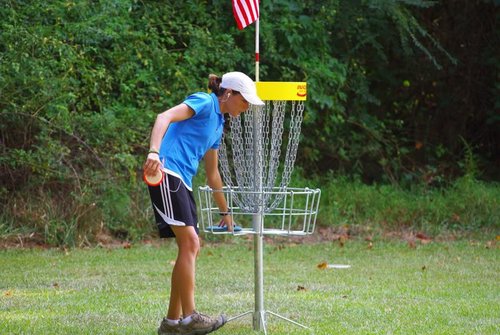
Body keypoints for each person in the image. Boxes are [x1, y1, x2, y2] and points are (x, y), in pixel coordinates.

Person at [143, 72, 264, 335]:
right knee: (191, 243)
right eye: (245, 102)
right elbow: (163, 117)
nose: (246, 108)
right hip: (166, 173)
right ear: (229, 94)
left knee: (190, 248)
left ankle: (172, 323)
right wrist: (153, 151)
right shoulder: (204, 102)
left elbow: (213, 175)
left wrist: (226, 212)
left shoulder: (219, 126)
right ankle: (189, 318)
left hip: (183, 182)